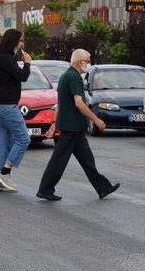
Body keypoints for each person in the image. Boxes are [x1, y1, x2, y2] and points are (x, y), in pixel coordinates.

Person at [36, 49, 120, 202]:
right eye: (87, 61)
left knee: (87, 160)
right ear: (79, 61)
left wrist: (55, 124)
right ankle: (45, 189)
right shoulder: (74, 77)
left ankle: (103, 188)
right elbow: (79, 103)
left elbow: (60, 104)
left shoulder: (65, 77)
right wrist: (96, 120)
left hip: (74, 128)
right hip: (72, 128)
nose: (89, 64)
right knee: (58, 161)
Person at [0, 28, 32, 193]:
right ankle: (5, 172)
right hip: (6, 106)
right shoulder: (6, 59)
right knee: (23, 139)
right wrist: (27, 63)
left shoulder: (4, 58)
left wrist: (19, 59)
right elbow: (23, 76)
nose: (22, 44)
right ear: (13, 41)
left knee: (4, 142)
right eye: (20, 41)